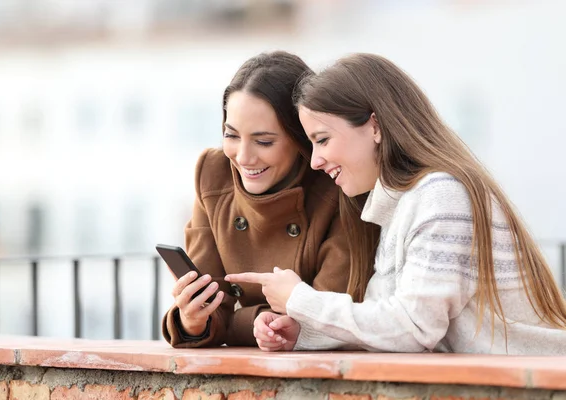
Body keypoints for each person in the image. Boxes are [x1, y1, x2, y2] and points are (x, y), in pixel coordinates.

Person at [225, 53, 566, 355]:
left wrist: (301, 301)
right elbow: (386, 320)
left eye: (323, 140)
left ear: (374, 126)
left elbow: (415, 328)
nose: (315, 161)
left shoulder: (440, 195)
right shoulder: (402, 204)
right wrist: (303, 333)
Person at [162, 51, 362, 348]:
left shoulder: (338, 183)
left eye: (264, 141)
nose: (243, 157)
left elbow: (326, 316)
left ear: (301, 137)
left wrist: (244, 322)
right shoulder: (213, 173)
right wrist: (192, 320)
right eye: (231, 135)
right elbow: (212, 306)